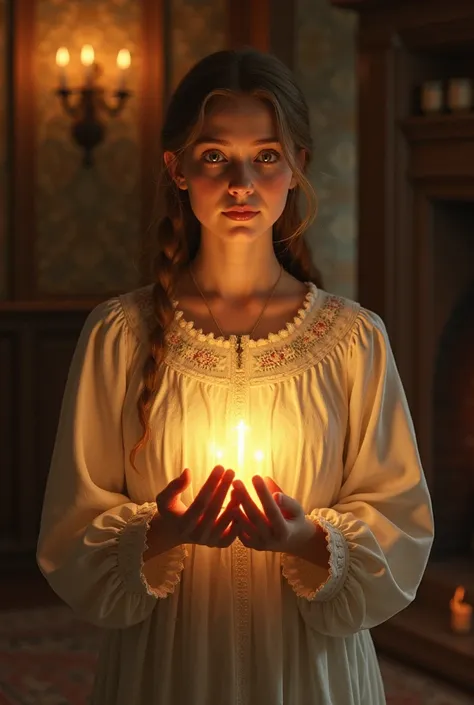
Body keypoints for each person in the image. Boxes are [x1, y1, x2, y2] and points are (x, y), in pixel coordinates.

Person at [37, 48, 434, 705]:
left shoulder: (353, 340)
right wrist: (163, 528)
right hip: (171, 665)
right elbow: (71, 527)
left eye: (267, 156)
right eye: (217, 155)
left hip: (310, 668)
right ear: (178, 168)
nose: (243, 183)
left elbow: (401, 520)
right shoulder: (120, 335)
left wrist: (306, 538)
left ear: (298, 166)